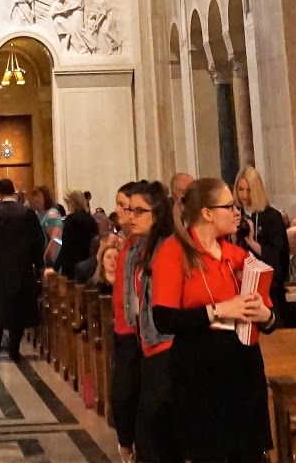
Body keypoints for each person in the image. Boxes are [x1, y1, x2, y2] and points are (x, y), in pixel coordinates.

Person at [150, 177, 273, 463]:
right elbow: (164, 319)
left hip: (243, 366)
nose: (236, 212)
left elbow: (268, 313)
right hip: (200, 369)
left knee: (250, 454)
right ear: (206, 213)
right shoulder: (173, 251)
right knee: (208, 453)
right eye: (228, 206)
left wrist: (266, 315)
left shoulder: (237, 254)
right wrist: (218, 310)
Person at [132, 184, 180, 463]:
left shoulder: (166, 249)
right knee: (149, 436)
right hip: (151, 347)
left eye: (140, 210)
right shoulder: (146, 247)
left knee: (155, 436)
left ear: (157, 213)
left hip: (166, 347)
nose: (131, 216)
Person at [0, 178, 44, 360]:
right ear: (13, 191)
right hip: (22, 269)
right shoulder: (27, 213)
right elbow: (37, 242)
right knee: (18, 311)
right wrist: (39, 264)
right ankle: (14, 349)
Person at [110, 185, 141, 463]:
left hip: (134, 332)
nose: (119, 211)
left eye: (124, 205)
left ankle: (130, 446)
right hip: (122, 327)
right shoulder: (128, 243)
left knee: (126, 393)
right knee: (122, 394)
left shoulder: (140, 244)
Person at [233, 165, 289, 315]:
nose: (244, 195)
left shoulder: (272, 217)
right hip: (239, 287)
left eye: (249, 190)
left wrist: (252, 242)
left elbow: (278, 258)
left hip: (268, 287)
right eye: (240, 189)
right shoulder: (233, 215)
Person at [55, 189, 98, 278]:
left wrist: (55, 267)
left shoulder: (70, 220)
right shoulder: (91, 220)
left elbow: (66, 246)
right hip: (87, 266)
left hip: (71, 265)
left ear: (72, 202)